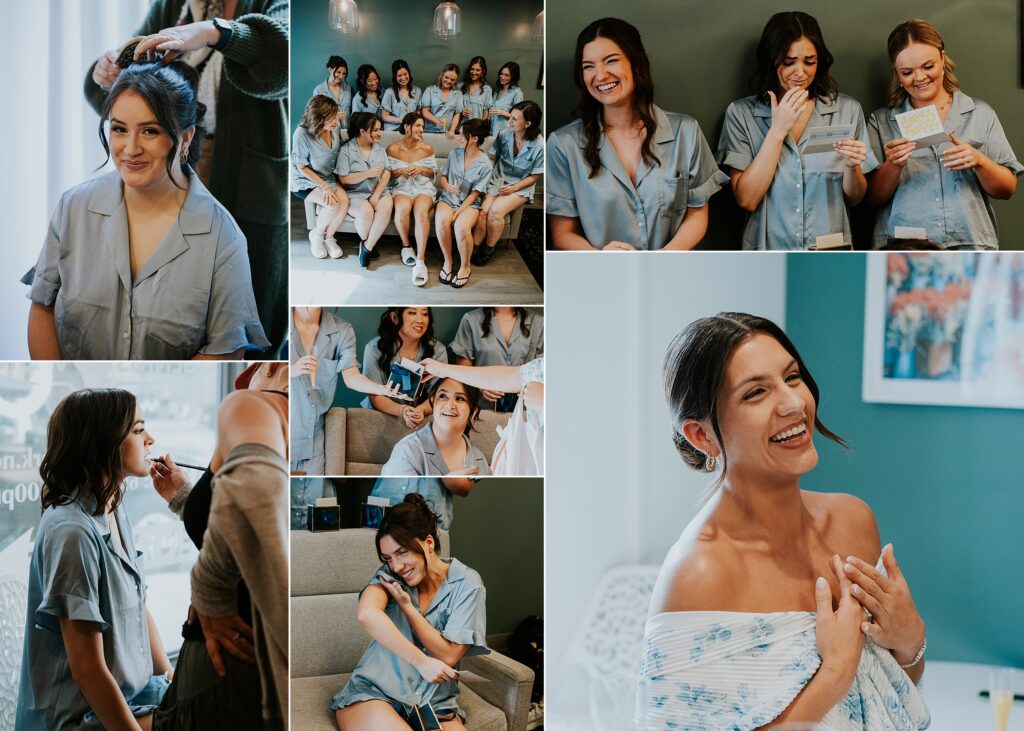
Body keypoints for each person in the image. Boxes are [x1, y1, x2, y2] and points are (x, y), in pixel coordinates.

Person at [635, 313, 930, 729]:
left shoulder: (853, 521)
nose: (794, 403)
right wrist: (833, 674)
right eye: (756, 393)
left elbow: (892, 691)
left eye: (792, 378)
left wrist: (910, 641)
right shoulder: (700, 575)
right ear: (702, 436)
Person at [85, 0, 290, 357]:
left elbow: (282, 62)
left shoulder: (273, 5)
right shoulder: (172, 7)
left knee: (243, 316)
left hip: (248, 185)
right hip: (169, 168)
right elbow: (129, 82)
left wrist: (212, 33)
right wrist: (104, 73)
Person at [28, 61, 268, 360]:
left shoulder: (223, 238)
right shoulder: (72, 208)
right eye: (119, 129)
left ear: (185, 138)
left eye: (150, 131)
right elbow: (42, 306)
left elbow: (223, 351)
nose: (130, 149)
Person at [16, 389, 172, 730]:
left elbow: (136, 606)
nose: (151, 440)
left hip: (127, 697)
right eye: (138, 429)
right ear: (102, 444)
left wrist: (171, 679)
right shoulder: (71, 531)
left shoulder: (113, 509)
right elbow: (87, 671)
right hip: (76, 717)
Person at [148, 363, 288, 729]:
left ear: (270, 367)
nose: (241, 381)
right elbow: (252, 529)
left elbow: (256, 490)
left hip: (229, 670)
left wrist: (209, 589)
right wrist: (186, 499)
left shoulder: (253, 404)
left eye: (248, 374)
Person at [547, 17, 727, 250]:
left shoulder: (686, 131)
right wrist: (598, 256)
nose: (600, 75)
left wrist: (662, 259)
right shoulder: (563, 144)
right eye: (588, 66)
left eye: (610, 61)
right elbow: (562, 232)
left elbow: (697, 214)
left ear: (635, 62)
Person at [717, 12, 878, 251]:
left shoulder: (847, 110)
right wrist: (777, 131)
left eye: (809, 62)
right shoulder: (741, 114)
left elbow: (855, 198)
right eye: (788, 62)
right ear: (772, 60)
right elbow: (747, 199)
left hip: (830, 250)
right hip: (768, 252)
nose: (800, 73)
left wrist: (851, 166)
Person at [332, 493, 489, 729]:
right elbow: (367, 614)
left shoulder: (468, 584)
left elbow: (449, 655)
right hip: (375, 694)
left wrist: (407, 608)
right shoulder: (389, 577)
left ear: (428, 542)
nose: (396, 566)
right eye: (388, 558)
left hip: (434, 703)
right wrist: (420, 661)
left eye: (402, 552)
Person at [865, 19, 1021, 249]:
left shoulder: (979, 113)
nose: (919, 78)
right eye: (907, 72)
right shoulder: (881, 121)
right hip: (904, 247)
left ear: (942, 59)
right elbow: (872, 199)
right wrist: (893, 165)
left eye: (928, 66)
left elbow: (1007, 189)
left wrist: (979, 162)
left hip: (970, 244)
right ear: (896, 73)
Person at [290, 307, 408, 476]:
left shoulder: (343, 330)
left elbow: (351, 377)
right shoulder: (278, 320)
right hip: (282, 430)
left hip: (313, 437)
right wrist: (291, 370)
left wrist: (382, 389)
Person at [472, 101, 544, 266]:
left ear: (527, 123)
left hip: (521, 185)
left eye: (514, 119)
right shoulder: (504, 135)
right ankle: (474, 247)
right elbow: (494, 158)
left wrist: (513, 188)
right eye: (510, 117)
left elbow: (535, 176)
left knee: (495, 212)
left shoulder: (540, 146)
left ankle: (489, 249)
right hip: (498, 179)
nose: (509, 121)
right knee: (483, 211)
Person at [381, 378, 491, 478]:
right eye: (442, 396)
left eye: (460, 398)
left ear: (473, 412)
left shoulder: (479, 459)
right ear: (433, 404)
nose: (450, 405)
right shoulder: (408, 451)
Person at [362, 308, 449, 429]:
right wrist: (403, 410)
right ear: (395, 318)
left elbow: (440, 394)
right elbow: (375, 396)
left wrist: (420, 410)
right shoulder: (374, 349)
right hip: (380, 419)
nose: (420, 320)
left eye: (425, 314)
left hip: (421, 420)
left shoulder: (438, 351)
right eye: (412, 313)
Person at [435, 119, 493, 288]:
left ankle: (465, 267)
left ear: (473, 138)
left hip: (469, 204)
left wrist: (457, 212)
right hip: (447, 199)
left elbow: (475, 194)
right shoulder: (454, 153)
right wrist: (446, 186)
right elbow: (443, 176)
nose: (458, 137)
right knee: (441, 221)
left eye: (461, 134)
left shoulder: (485, 164)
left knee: (460, 226)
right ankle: (448, 262)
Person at [450, 308, 544, 411]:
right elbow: (462, 370)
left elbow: (545, 370)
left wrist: (528, 386)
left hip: (528, 409)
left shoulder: (539, 322)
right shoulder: (471, 320)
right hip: (483, 409)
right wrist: (480, 386)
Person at [291, 95, 348, 260]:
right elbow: (301, 167)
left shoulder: (334, 127)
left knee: (344, 203)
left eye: (336, 116)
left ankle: (329, 238)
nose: (335, 121)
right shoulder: (301, 135)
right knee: (333, 205)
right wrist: (326, 187)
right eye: (331, 118)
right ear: (318, 118)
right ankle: (316, 236)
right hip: (305, 179)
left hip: (327, 176)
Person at [387, 113, 438, 286]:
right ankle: (406, 246)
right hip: (401, 187)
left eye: (422, 126)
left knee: (421, 212)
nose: (421, 129)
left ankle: (421, 260)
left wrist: (422, 169)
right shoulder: (392, 149)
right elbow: (388, 176)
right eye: (417, 125)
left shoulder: (427, 148)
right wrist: (400, 171)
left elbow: (433, 174)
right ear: (406, 126)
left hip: (423, 186)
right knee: (402, 209)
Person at [337, 113, 394, 268]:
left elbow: (387, 172)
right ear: (363, 131)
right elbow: (343, 179)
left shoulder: (380, 149)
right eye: (375, 130)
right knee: (366, 212)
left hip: (379, 191)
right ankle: (370, 245)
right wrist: (367, 174)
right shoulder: (346, 150)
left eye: (379, 129)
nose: (379, 133)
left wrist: (376, 195)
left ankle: (367, 247)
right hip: (356, 194)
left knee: (387, 204)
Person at [420, 64, 463, 139]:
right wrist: (436, 121)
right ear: (442, 76)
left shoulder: (458, 94)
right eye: (446, 77)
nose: (449, 81)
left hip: (447, 133)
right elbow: (425, 111)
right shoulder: (430, 90)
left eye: (452, 80)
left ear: (455, 81)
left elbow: (457, 114)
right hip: (429, 131)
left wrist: (452, 130)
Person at [381, 59, 423, 132]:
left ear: (409, 73)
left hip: (411, 131)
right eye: (399, 75)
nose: (403, 78)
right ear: (395, 77)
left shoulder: (417, 91)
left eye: (405, 74)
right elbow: (384, 116)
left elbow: (418, 113)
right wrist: (401, 120)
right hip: (393, 130)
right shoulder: (389, 92)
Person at [313, 55, 354, 126]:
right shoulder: (319, 90)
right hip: (329, 132)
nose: (341, 76)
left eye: (344, 73)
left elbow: (353, 112)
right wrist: (333, 114)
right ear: (330, 69)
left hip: (346, 131)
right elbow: (316, 115)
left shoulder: (349, 88)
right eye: (338, 72)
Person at [488, 61, 524, 137]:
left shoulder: (517, 93)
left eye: (507, 75)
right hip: (491, 131)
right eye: (501, 74)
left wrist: (502, 112)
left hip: (506, 133)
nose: (502, 77)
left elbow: (519, 117)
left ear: (513, 77)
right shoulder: (497, 90)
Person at [460, 56, 492, 122]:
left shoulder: (487, 89)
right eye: (472, 69)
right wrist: (462, 110)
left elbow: (486, 111)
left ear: (483, 71)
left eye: (478, 70)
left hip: (477, 129)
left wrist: (482, 128)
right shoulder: (460, 86)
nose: (474, 72)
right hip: (461, 128)